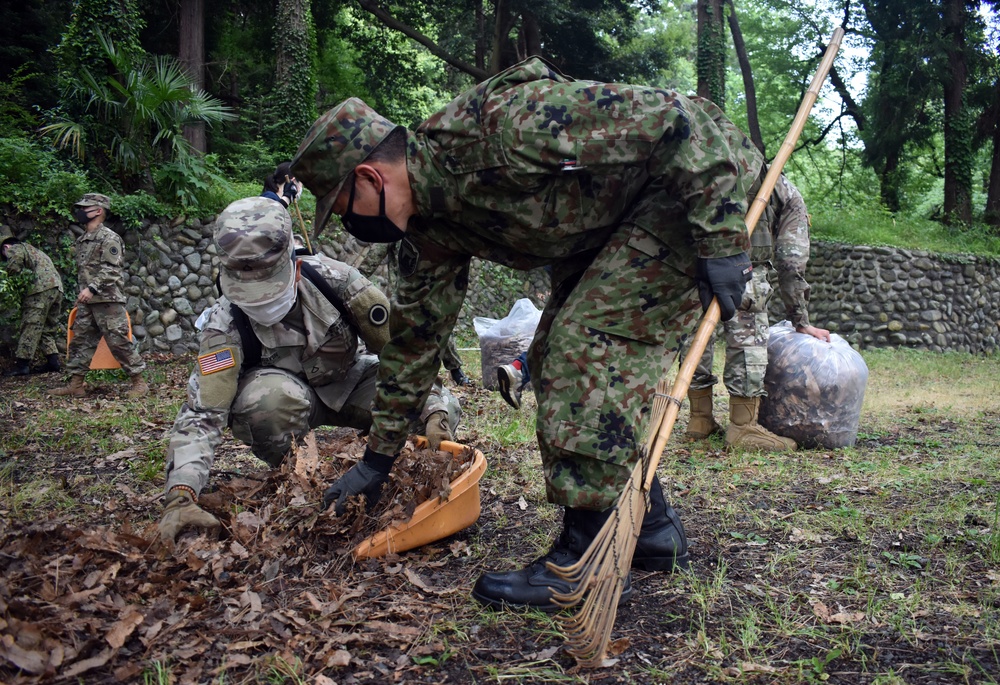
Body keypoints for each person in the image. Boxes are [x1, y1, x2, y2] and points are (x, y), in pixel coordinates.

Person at [291, 56, 763, 610]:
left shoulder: (507, 127)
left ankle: (581, 563)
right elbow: (415, 341)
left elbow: (683, 122)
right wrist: (377, 459)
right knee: (553, 347)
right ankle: (652, 529)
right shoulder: (428, 223)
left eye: (347, 209)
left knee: (583, 348)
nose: (353, 226)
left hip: (694, 188)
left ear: (371, 177)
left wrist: (722, 238)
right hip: (611, 226)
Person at [157, 196, 462, 545]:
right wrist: (181, 493)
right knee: (263, 402)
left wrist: (434, 406)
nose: (262, 304)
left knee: (439, 409)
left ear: (295, 268)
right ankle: (302, 479)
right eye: (250, 296)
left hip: (350, 379)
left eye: (269, 292)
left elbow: (404, 357)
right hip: (282, 398)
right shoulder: (223, 326)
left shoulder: (340, 284)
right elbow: (202, 413)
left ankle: (398, 469)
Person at [685, 174, 831, 451]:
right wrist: (800, 319)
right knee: (747, 341)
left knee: (696, 338)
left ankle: (699, 419)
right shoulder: (777, 183)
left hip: (696, 270)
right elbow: (790, 260)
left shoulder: (698, 168)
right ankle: (743, 427)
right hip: (745, 272)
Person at [50, 194, 147, 398]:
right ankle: (76, 385)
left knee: (118, 342)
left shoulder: (109, 238)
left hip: (108, 300)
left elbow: (111, 270)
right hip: (88, 302)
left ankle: (139, 383)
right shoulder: (82, 240)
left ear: (99, 211)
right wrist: (85, 292)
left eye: (86, 208)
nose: (81, 211)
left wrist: (92, 288)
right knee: (81, 341)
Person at [0, 228, 65, 376]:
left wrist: (9, 278)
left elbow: (13, 267)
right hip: (57, 288)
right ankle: (53, 362)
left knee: (30, 324)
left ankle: (22, 365)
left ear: (6, 247)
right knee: (46, 328)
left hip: (40, 289)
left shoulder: (15, 248)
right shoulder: (34, 251)